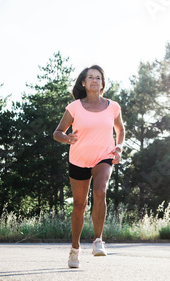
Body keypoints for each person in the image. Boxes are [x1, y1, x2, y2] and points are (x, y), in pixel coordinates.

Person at [53, 65, 125, 268]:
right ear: (83, 82)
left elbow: (120, 129)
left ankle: (98, 241)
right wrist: (66, 138)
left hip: (104, 156)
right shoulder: (74, 107)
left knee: (100, 191)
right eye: (90, 77)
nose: (94, 80)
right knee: (79, 205)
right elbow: (57, 132)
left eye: (98, 77)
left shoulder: (113, 107)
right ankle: (75, 249)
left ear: (102, 83)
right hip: (78, 159)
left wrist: (118, 147)